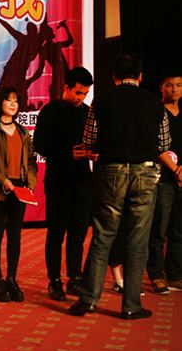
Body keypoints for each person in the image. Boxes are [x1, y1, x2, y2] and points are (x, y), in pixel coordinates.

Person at [69, 53, 175, 320]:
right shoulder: (155, 102)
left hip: (112, 171)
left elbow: (89, 139)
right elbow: (163, 144)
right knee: (138, 240)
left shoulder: (102, 100)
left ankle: (88, 300)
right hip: (146, 173)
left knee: (103, 235)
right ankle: (131, 305)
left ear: (114, 76)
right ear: (140, 76)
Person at [33, 66, 94, 301]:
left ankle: (75, 279)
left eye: (85, 94)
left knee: (78, 234)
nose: (81, 98)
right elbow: (39, 145)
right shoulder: (50, 111)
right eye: (78, 93)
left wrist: (93, 153)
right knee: (56, 233)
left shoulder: (88, 113)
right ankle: (55, 280)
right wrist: (68, 153)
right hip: (58, 180)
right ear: (66, 88)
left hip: (83, 180)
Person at [0, 86, 37, 302]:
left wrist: (31, 183)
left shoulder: (23, 132)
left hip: (20, 189)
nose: (13, 104)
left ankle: (11, 279)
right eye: (8, 100)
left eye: (16, 100)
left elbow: (31, 161)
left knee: (15, 235)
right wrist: (2, 179)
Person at [147, 72, 182, 293]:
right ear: (161, 87)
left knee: (179, 231)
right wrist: (176, 170)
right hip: (163, 179)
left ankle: (175, 274)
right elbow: (155, 146)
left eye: (178, 85)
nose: (174, 89)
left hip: (181, 179)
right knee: (159, 230)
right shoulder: (156, 111)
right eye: (169, 85)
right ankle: (156, 274)